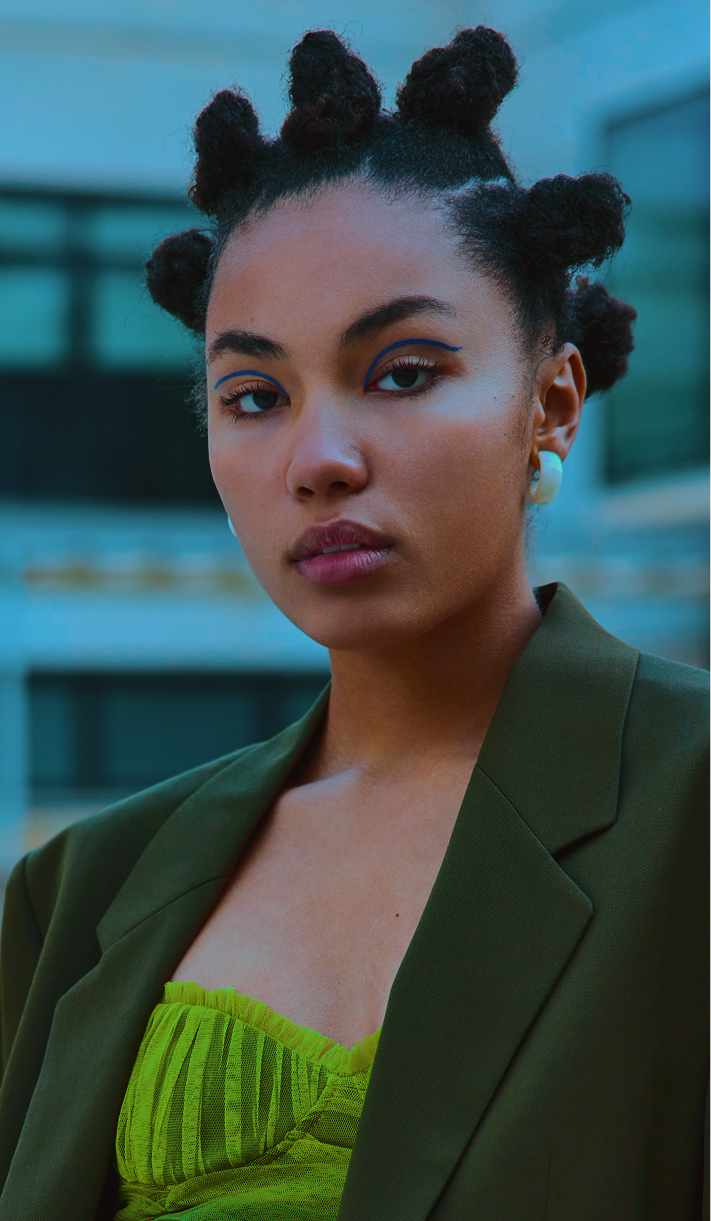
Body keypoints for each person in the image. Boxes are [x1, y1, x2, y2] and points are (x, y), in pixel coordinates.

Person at [0, 27, 707, 1221]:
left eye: (404, 371)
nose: (319, 460)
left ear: (553, 401)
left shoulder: (688, 808)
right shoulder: (78, 892)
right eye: (255, 397)